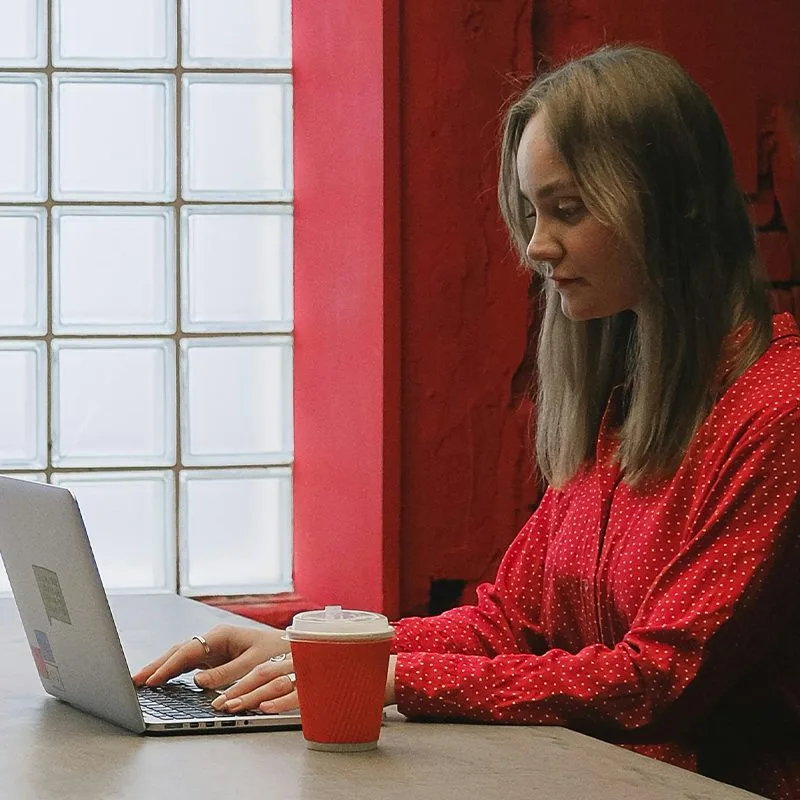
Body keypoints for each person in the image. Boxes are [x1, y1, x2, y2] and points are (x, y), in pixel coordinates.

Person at [133, 45, 800, 799]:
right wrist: (312, 648)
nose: (537, 246)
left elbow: (657, 679)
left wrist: (397, 679)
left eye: (568, 210)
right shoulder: (628, 399)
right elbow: (509, 622)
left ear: (677, 201)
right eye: (532, 213)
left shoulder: (777, 410)